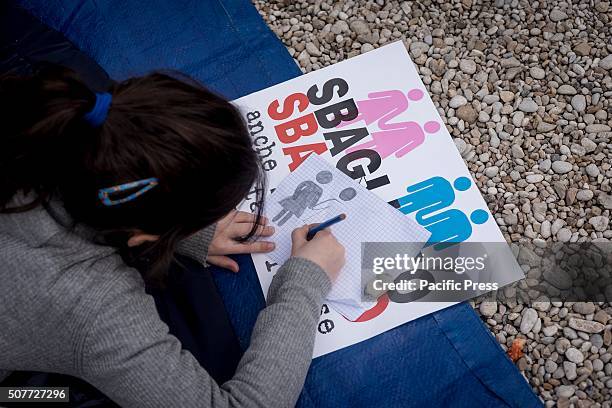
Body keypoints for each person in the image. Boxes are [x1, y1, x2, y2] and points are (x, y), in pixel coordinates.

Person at [0, 63, 346, 407]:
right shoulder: (95, 311)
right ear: (141, 236)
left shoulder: (28, 111)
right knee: (48, 401)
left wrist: (177, 227)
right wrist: (304, 284)